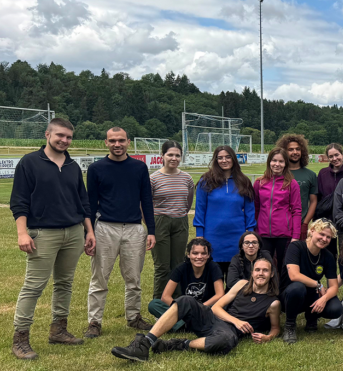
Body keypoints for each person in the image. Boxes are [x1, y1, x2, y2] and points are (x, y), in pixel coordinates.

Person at [10, 118, 95, 360]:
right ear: (47, 134)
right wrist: (22, 232)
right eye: (59, 135)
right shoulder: (29, 162)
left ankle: (58, 330)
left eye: (68, 137)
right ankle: (20, 338)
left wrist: (89, 231)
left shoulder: (72, 166)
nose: (64, 140)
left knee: (65, 283)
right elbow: (19, 201)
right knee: (34, 286)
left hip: (73, 232)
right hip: (42, 234)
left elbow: (83, 202)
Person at [110, 257, 281, 362]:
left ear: (271, 274)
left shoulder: (273, 303)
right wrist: (237, 320)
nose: (260, 273)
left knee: (226, 342)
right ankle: (144, 344)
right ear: (252, 273)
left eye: (265, 271)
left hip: (228, 331)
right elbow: (216, 307)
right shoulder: (242, 284)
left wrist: (268, 337)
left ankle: (178, 344)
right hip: (214, 319)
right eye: (257, 270)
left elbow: (275, 328)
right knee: (185, 300)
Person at [85, 127, 156, 338]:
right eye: (113, 140)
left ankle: (134, 317)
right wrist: (88, 232)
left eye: (121, 140)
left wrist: (150, 230)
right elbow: (89, 203)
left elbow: (146, 200)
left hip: (134, 228)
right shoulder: (96, 168)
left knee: (133, 278)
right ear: (105, 143)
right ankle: (94, 322)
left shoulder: (139, 167)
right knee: (99, 278)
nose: (118, 144)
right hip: (105, 227)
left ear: (128, 142)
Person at [193, 145, 256, 277]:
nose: (224, 160)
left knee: (235, 282)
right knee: (214, 281)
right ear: (215, 160)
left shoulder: (244, 181)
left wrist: (250, 233)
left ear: (233, 159)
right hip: (212, 237)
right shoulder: (206, 181)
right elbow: (200, 210)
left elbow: (250, 211)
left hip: (237, 238)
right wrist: (200, 236)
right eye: (220, 158)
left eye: (228, 157)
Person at [281, 219, 343, 343]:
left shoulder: (328, 256)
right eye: (322, 234)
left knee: (335, 308)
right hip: (289, 295)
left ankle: (311, 318)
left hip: (311, 294)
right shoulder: (296, 247)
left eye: (328, 237)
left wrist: (323, 299)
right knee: (298, 287)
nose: (324, 239)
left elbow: (334, 287)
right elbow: (294, 275)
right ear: (312, 231)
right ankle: (289, 326)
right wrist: (318, 284)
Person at [147, 237, 225, 332]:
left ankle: (179, 325)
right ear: (188, 254)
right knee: (154, 304)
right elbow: (165, 297)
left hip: (207, 309)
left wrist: (199, 308)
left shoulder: (214, 267)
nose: (199, 257)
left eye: (203, 253)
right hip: (186, 310)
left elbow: (220, 294)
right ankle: (189, 325)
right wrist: (180, 310)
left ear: (208, 255)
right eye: (195, 253)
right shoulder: (181, 268)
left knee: (224, 307)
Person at [149, 140, 195, 301]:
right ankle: (158, 303)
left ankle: (177, 301)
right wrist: (150, 226)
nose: (174, 158)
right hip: (160, 221)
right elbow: (144, 205)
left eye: (177, 155)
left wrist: (181, 213)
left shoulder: (187, 178)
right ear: (162, 156)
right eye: (170, 155)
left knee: (178, 264)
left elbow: (188, 201)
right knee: (162, 266)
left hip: (180, 222)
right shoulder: (154, 178)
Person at [253, 147, 301, 271]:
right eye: (274, 161)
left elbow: (296, 210)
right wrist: (254, 230)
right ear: (269, 162)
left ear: (285, 164)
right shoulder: (259, 183)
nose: (277, 164)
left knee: (283, 267)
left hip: (284, 233)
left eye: (281, 161)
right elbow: (255, 208)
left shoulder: (291, 183)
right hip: (263, 233)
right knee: (264, 265)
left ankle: (282, 290)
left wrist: (295, 236)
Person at [276, 134, 318, 241]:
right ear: (284, 151)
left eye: (298, 149)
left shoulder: (311, 175)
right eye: (290, 149)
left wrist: (305, 223)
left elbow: (313, 201)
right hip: (279, 225)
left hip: (300, 225)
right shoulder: (278, 173)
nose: (295, 152)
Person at [315, 142, 343, 258]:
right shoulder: (323, 173)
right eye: (331, 156)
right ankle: (331, 275)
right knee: (328, 254)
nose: (335, 158)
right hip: (327, 218)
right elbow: (318, 197)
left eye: (337, 155)